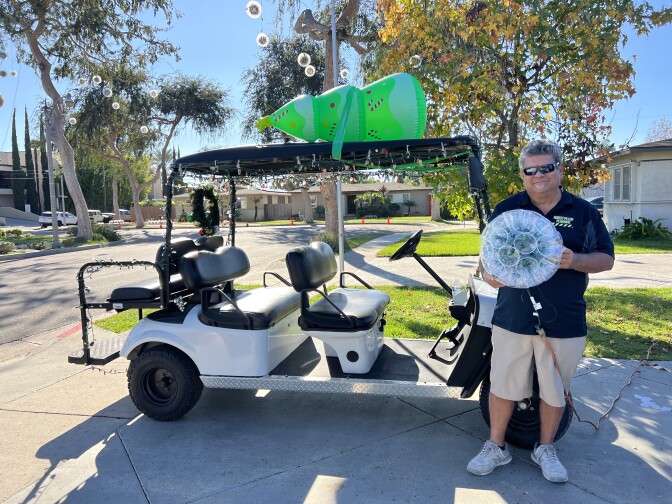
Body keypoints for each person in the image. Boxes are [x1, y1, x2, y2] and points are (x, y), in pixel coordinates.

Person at [467, 140, 614, 483]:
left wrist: (575, 260)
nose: (538, 176)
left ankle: (545, 448)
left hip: (563, 318)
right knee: (502, 383)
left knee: (553, 388)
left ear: (559, 170)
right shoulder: (507, 210)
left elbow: (606, 259)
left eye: (546, 168)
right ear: (522, 175)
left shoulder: (583, 212)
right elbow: (487, 258)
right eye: (530, 170)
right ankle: (495, 446)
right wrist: (488, 274)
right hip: (513, 316)